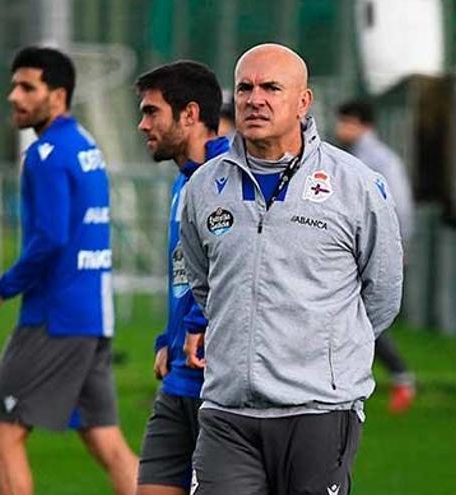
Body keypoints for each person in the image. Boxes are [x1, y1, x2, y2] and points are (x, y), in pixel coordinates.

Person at [178, 43, 403, 494]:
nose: (254, 99)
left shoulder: (354, 185)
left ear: (303, 102)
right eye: (245, 87)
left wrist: (328, 357)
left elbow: (382, 292)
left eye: (271, 88)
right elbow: (203, 283)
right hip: (228, 408)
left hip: (318, 409)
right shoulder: (204, 186)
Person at [0, 46, 137, 495]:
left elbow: (50, 239)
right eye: (14, 86)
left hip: (54, 318)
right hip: (91, 314)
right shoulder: (84, 145)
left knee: (1, 438)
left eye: (28, 87)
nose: (14, 96)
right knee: (108, 443)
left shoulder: (46, 154)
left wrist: (0, 289)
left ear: (58, 95)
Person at [133, 60, 229, 495]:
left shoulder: (229, 179)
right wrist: (168, 339)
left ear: (189, 114)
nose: (142, 124)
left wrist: (197, 326)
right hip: (178, 380)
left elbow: (231, 271)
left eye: (152, 112)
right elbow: (190, 272)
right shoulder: (183, 183)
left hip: (219, 389)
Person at [335, 100, 417, 414]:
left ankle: (400, 377)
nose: (340, 128)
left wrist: (394, 251)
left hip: (369, 254)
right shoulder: (354, 157)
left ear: (361, 124)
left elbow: (401, 208)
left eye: (345, 121)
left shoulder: (378, 160)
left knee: (362, 320)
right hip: (354, 252)